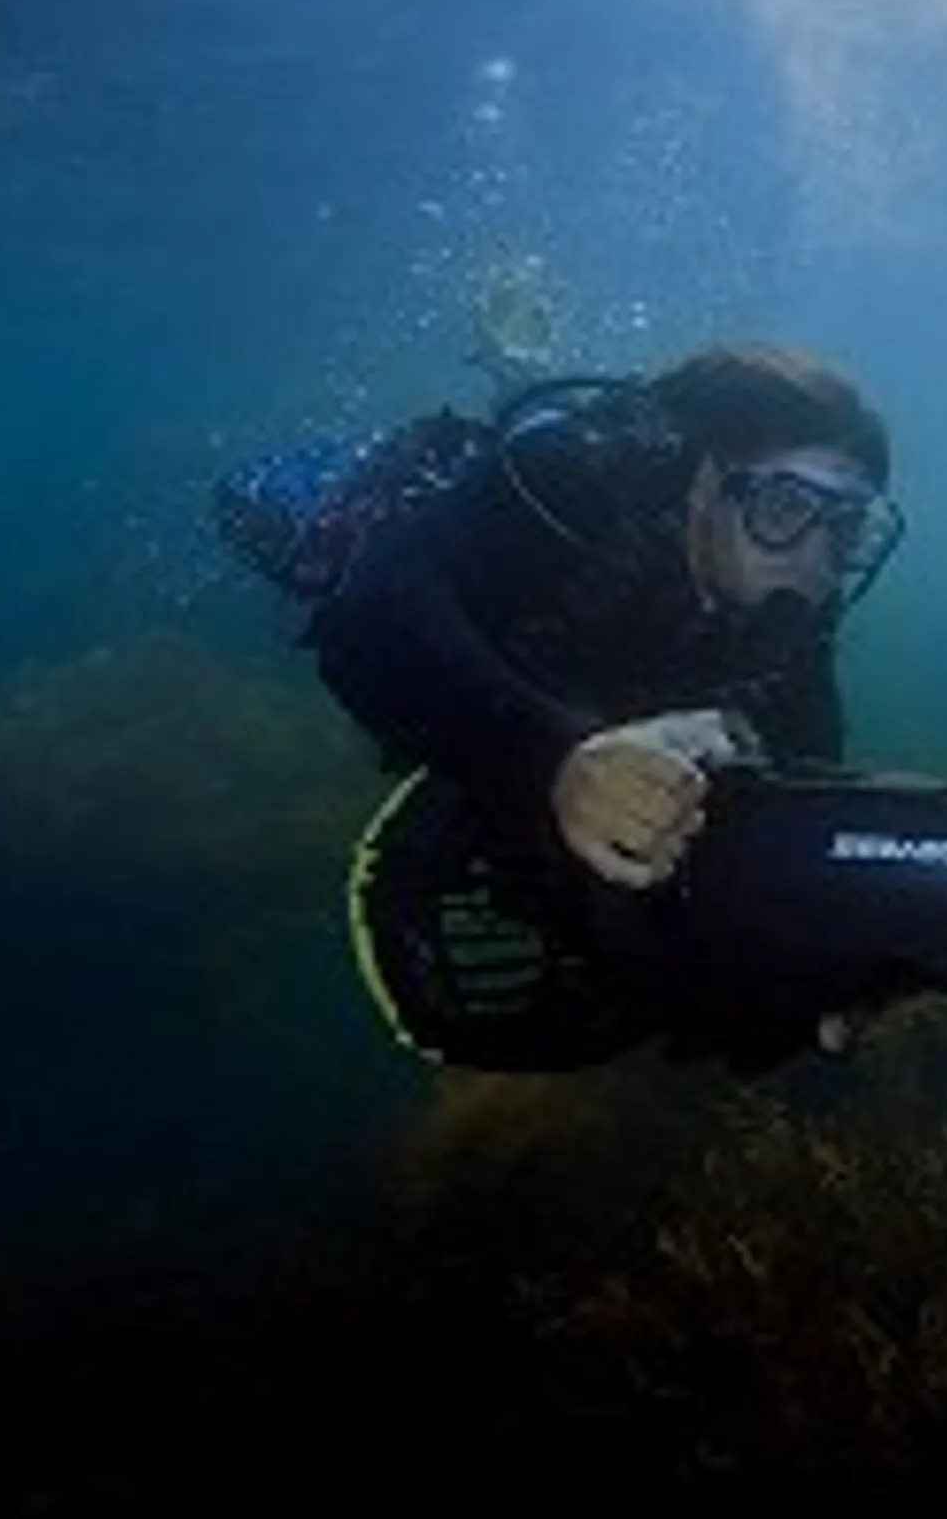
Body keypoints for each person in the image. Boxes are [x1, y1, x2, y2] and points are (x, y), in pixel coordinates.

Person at [213, 344, 906, 1061]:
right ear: (706, 481)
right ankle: (325, 475)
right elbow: (369, 620)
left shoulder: (795, 601)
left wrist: (822, 948)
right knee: (301, 535)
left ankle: (509, 365)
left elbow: (805, 778)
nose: (815, 560)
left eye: (847, 526)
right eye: (787, 505)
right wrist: (558, 760)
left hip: (561, 669)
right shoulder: (571, 483)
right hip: (413, 551)